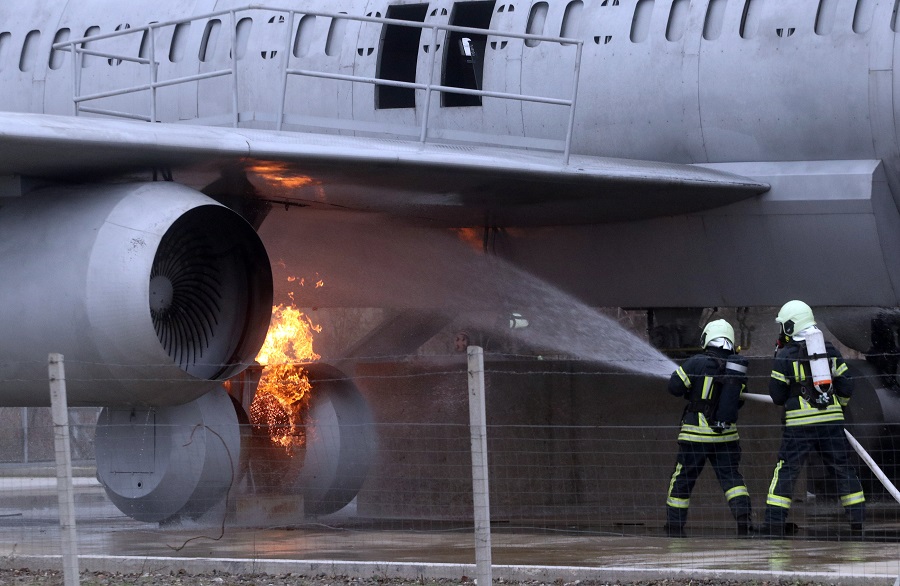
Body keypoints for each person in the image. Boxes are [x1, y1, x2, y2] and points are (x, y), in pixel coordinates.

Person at [760, 300, 865, 538]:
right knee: (843, 470)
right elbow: (847, 387)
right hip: (832, 422)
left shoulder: (786, 356)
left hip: (799, 425)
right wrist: (836, 409)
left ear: (790, 327)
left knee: (786, 471)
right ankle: (857, 522)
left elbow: (776, 396)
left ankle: (773, 524)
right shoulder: (830, 350)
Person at [664, 319, 752, 537]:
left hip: (695, 435)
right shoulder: (736, 368)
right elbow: (738, 401)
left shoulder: (696, 362)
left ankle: (674, 527)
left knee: (682, 480)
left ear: (707, 338)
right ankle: (743, 520)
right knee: (732, 480)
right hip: (726, 436)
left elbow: (674, 387)